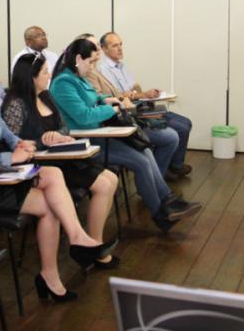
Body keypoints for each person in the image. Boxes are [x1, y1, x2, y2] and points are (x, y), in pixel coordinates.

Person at [0, 55, 117, 302]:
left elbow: (8, 136)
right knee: (50, 206)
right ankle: (53, 271)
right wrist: (10, 158)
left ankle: (72, 244)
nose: (0, 83)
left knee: (53, 175)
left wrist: (21, 144)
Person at [49, 39, 201, 233]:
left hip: (98, 133)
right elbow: (84, 116)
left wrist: (107, 99)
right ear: (78, 59)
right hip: (85, 141)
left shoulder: (77, 77)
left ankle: (168, 201)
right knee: (141, 161)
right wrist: (113, 107)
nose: (92, 67)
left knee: (144, 150)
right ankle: (161, 213)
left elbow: (94, 98)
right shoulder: (63, 83)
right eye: (90, 62)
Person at [2, 54, 120, 268]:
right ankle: (93, 247)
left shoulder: (46, 96)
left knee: (111, 179)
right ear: (31, 77)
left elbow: (64, 125)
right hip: (44, 163)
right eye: (45, 72)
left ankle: (93, 242)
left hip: (63, 156)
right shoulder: (16, 104)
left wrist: (58, 134)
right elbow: (12, 144)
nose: (49, 76)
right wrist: (42, 141)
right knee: (103, 184)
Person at [76, 33, 181, 181]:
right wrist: (120, 103)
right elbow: (96, 105)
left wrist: (128, 96)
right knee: (169, 135)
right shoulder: (94, 72)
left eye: (121, 44)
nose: (97, 52)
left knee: (177, 126)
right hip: (112, 123)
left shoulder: (106, 68)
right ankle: (160, 179)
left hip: (123, 113)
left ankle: (161, 180)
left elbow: (125, 91)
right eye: (114, 45)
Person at [97, 32, 194, 180]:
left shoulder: (121, 66)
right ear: (103, 49)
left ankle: (173, 165)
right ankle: (169, 169)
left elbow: (133, 89)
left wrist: (145, 94)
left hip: (139, 105)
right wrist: (140, 95)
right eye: (115, 45)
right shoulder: (103, 70)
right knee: (179, 129)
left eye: (121, 44)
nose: (120, 48)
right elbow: (118, 96)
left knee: (186, 122)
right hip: (130, 111)